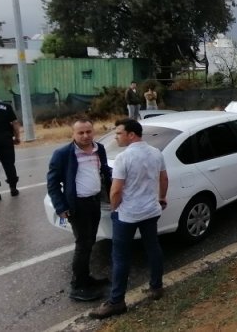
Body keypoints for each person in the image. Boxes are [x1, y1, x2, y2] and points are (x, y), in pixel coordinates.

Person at [91, 118, 168, 319]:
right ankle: (157, 287)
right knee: (153, 248)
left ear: (131, 135)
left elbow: (116, 190)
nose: (116, 137)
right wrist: (161, 198)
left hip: (128, 214)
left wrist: (114, 209)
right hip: (150, 210)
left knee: (120, 257)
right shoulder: (156, 152)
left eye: (119, 133)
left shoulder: (123, 158)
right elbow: (164, 178)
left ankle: (116, 301)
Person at [46, 118, 112, 301]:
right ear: (73, 134)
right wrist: (61, 206)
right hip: (78, 205)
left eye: (88, 131)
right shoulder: (63, 154)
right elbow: (52, 184)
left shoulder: (99, 149)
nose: (85, 135)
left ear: (93, 132)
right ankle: (78, 287)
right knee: (83, 244)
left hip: (94, 202)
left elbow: (104, 171)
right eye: (80, 132)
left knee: (90, 241)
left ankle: (85, 278)